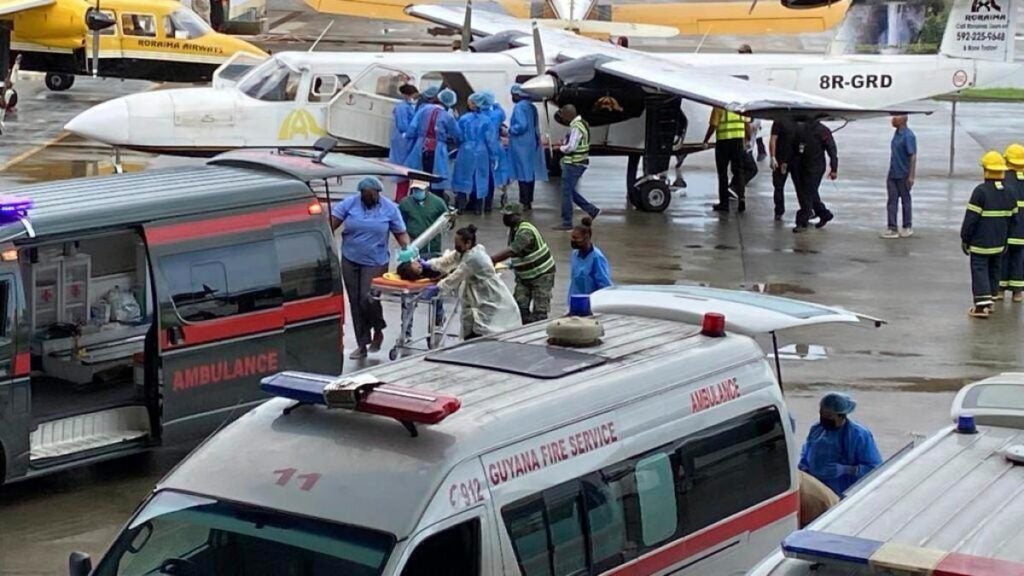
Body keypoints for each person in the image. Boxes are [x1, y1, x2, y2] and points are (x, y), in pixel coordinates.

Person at [330, 177, 412, 360]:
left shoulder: (389, 208)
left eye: (372, 195)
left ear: (377, 193)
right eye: (366, 195)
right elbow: (331, 224)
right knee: (355, 301)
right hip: (351, 259)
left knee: (367, 298)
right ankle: (362, 343)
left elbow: (401, 233)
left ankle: (379, 328)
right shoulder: (349, 204)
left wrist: (408, 250)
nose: (369, 198)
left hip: (376, 260)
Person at [421, 225, 522, 339]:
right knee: (470, 321)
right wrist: (430, 264)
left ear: (468, 243)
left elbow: (456, 276)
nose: (456, 246)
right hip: (474, 293)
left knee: (487, 327)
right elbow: (448, 260)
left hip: (488, 294)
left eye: (458, 244)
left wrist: (439, 288)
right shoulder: (465, 251)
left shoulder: (475, 257)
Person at [962, 151, 1016, 318]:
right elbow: (1013, 219)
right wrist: (1006, 238)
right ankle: (991, 299)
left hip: (980, 241)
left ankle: (981, 306)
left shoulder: (980, 191)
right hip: (999, 241)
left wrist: (965, 238)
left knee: (979, 268)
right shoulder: (1009, 191)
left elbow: (971, 219)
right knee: (994, 269)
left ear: (986, 169)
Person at [799, 392, 883, 496]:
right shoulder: (816, 430)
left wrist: (848, 469)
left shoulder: (859, 435)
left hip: (845, 494)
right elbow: (806, 454)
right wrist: (804, 470)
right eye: (821, 414)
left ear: (841, 416)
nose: (824, 419)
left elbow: (875, 468)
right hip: (817, 491)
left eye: (829, 416)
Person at [398, 181, 450, 338]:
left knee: (436, 288)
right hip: (413, 251)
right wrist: (406, 247)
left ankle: (438, 320)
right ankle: (406, 330)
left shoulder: (438, 203)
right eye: (414, 190)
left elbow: (447, 222)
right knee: (408, 293)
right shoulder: (405, 204)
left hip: (432, 251)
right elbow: (399, 225)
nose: (416, 192)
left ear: (426, 189)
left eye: (419, 190)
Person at [492, 203, 556, 324]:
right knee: (519, 307)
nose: (505, 219)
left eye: (509, 216)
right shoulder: (513, 230)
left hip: (541, 275)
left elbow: (512, 250)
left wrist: (491, 260)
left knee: (539, 313)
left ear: (518, 215)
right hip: (524, 276)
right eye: (504, 215)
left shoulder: (525, 231)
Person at [406, 87, 461, 198]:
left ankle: (416, 201)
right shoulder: (448, 116)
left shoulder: (423, 109)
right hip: (438, 149)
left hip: (421, 146)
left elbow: (412, 129)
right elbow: (457, 135)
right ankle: (435, 202)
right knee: (436, 178)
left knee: (419, 176)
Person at [452, 92, 501, 214]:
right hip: (481, 151)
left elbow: (458, 136)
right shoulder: (487, 120)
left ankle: (461, 207)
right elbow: (491, 140)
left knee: (462, 177)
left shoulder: (464, 119)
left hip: (465, 150)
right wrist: (494, 156)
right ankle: (478, 208)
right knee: (480, 177)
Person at [557, 104, 600, 230]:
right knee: (569, 190)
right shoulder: (582, 123)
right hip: (578, 162)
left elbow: (572, 147)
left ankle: (567, 222)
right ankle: (591, 210)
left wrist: (560, 148)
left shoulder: (576, 127)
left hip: (574, 163)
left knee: (566, 193)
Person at [792, 118, 837, 233]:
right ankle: (824, 214)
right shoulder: (800, 129)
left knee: (807, 193)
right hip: (802, 166)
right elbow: (794, 147)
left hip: (815, 167)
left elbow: (831, 150)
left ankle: (802, 221)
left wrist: (834, 168)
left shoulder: (822, 131)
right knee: (810, 193)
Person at [508, 84, 548, 210]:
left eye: (513, 94)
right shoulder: (531, 106)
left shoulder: (519, 107)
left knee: (522, 173)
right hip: (531, 143)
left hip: (521, 144)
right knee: (529, 173)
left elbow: (521, 125)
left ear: (517, 95)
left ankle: (524, 201)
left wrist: (510, 130)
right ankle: (528, 200)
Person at [703, 106, 751, 213]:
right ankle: (742, 198)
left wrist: (705, 140)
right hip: (738, 142)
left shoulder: (718, 107)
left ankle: (724, 204)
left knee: (722, 173)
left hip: (723, 143)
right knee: (739, 171)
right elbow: (747, 125)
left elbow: (713, 125)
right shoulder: (741, 107)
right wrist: (748, 139)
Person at [881, 115, 917, 239]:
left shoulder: (908, 136)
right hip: (893, 173)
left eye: (896, 117)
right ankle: (892, 227)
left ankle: (907, 226)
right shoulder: (896, 134)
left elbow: (912, 156)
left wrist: (911, 176)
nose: (893, 119)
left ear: (903, 119)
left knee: (905, 200)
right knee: (892, 201)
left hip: (903, 174)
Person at [568, 216, 613, 303]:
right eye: (572, 237)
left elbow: (604, 284)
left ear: (587, 238)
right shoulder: (575, 254)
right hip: (575, 301)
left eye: (576, 238)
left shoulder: (597, 258)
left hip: (592, 303)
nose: (573, 240)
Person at [1000, 144, 1024, 303]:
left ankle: (1000, 289)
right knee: (1019, 259)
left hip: (1007, 227)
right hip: (1022, 230)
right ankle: (1017, 292)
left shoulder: (1003, 178)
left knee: (1003, 258)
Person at [390, 84, 420, 202]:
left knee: (406, 171)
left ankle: (402, 196)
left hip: (405, 139)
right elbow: (403, 125)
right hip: (403, 141)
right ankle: (400, 197)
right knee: (403, 170)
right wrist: (411, 133)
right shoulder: (402, 107)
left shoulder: (407, 106)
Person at [482, 91, 511, 207]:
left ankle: (483, 199)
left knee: (483, 173)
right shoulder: (497, 114)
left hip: (482, 148)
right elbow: (503, 115)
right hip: (496, 146)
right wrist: (496, 105)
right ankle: (503, 193)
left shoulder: (479, 115)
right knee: (502, 171)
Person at [770, 118, 797, 221]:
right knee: (801, 187)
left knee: (778, 186)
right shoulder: (799, 120)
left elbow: (773, 139)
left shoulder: (779, 121)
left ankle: (779, 211)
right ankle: (807, 209)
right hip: (795, 159)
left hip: (781, 159)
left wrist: (773, 157)